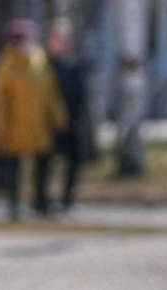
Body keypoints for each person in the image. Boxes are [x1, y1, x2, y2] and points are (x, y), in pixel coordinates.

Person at [0, 19, 68, 221]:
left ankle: (41, 203)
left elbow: (50, 93)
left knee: (43, 166)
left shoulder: (39, 60)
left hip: (38, 125)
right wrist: (0, 127)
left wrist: (58, 116)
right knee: (15, 169)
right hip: (14, 126)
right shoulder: (5, 65)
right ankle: (14, 205)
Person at [43, 18, 95, 214]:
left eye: (62, 38)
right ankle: (43, 200)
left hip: (72, 122)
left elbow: (81, 95)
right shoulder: (43, 65)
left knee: (73, 162)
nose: (59, 42)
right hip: (49, 123)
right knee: (46, 162)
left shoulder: (74, 65)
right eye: (55, 37)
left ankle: (68, 199)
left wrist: (77, 119)